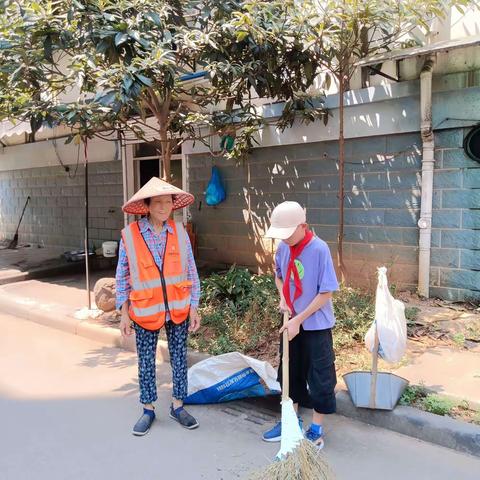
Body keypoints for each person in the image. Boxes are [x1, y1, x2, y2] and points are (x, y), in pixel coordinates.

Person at [115, 177, 201, 436]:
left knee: (178, 358)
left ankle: (178, 405)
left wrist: (194, 306)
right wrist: (123, 313)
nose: (164, 207)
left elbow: (191, 272)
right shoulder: (130, 236)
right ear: (148, 205)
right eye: (159, 202)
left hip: (177, 308)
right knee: (146, 361)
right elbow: (122, 276)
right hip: (144, 310)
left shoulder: (180, 233)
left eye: (168, 202)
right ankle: (148, 409)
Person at [262, 201, 339, 449]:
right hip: (290, 321)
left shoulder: (319, 249)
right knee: (290, 373)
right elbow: (279, 275)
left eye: (287, 234)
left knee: (320, 376)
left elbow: (326, 292)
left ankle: (315, 429)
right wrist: (283, 297)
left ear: (303, 226)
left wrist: (299, 319)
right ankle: (291, 422)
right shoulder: (284, 248)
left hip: (315, 324)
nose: (284, 240)